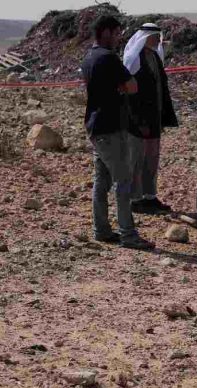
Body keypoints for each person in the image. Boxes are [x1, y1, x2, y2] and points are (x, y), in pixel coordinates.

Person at [81, 15, 155, 250]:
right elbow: (132, 86)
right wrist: (122, 86)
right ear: (105, 32)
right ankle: (128, 235)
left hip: (95, 127)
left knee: (101, 181)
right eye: (115, 32)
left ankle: (101, 230)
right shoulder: (109, 58)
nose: (118, 37)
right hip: (111, 128)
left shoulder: (89, 58)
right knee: (123, 182)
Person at [123, 23, 179, 215]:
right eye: (154, 37)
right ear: (144, 38)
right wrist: (140, 121)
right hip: (137, 122)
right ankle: (135, 199)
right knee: (136, 160)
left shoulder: (154, 56)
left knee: (152, 159)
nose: (158, 40)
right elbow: (130, 96)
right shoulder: (134, 59)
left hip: (154, 119)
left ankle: (149, 196)